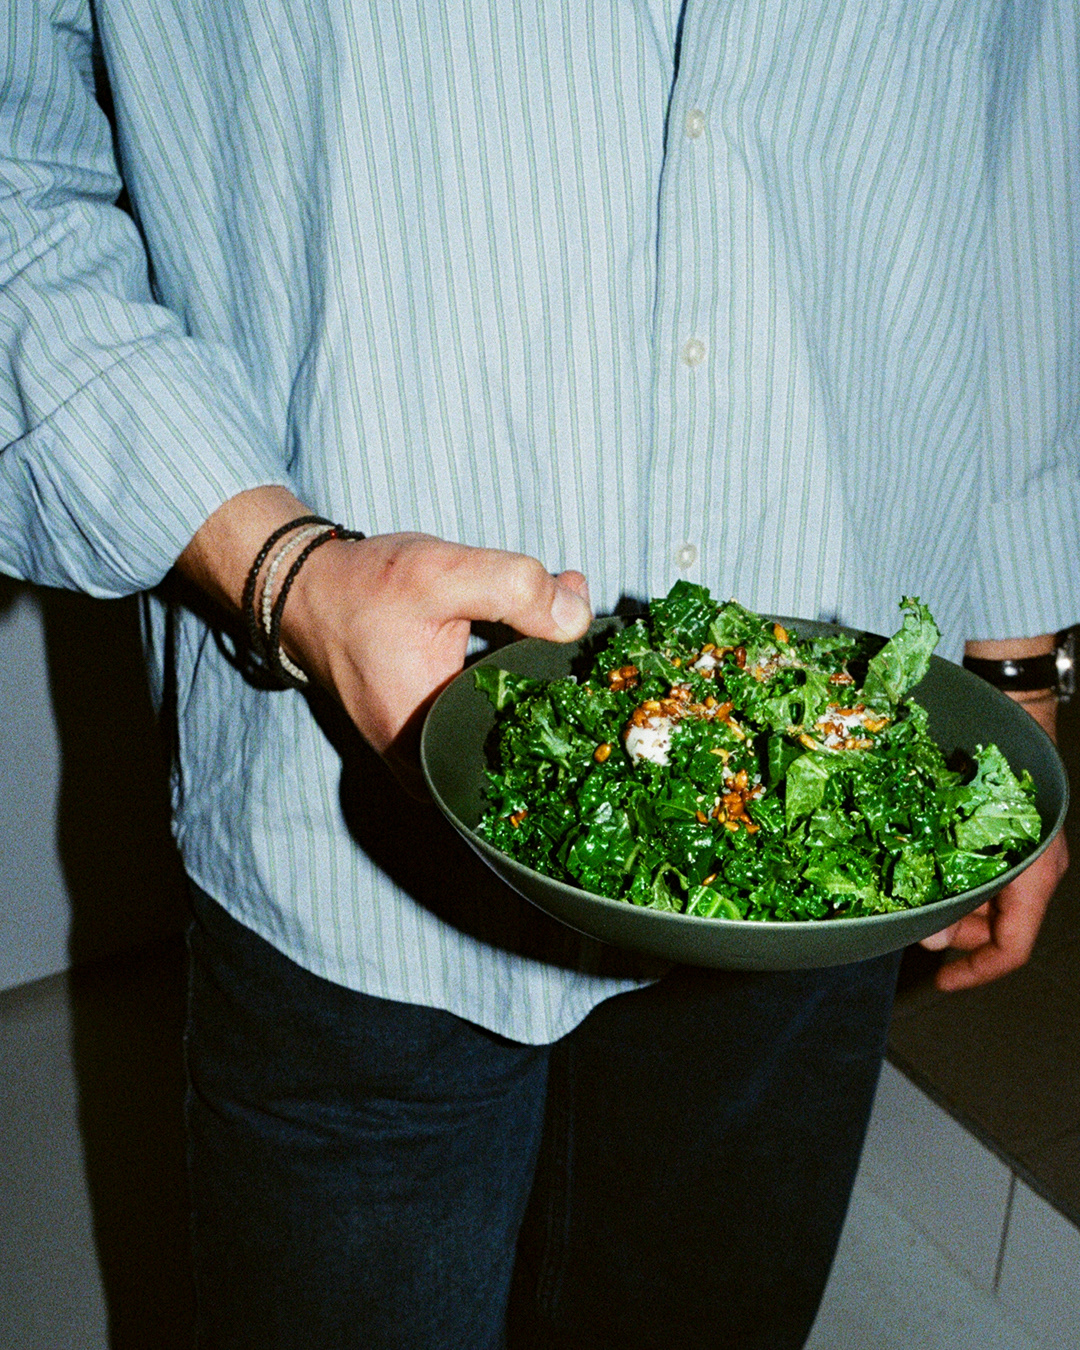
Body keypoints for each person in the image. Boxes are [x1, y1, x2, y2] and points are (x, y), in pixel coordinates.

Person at [1, 2, 1076, 1346]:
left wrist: (1018, 657)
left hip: (822, 818)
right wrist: (283, 569)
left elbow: (1031, 100)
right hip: (350, 803)